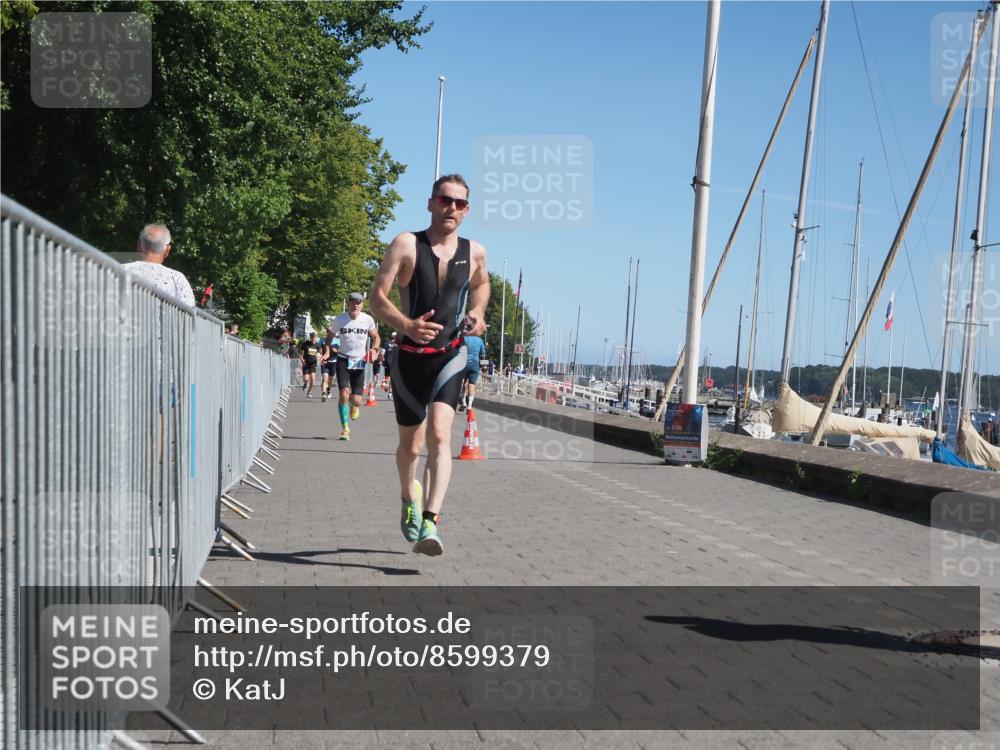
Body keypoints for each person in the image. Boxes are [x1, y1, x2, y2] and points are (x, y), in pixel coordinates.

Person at [369, 174, 489, 556]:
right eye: (444, 200)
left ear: (467, 210)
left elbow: (482, 285)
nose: (451, 207)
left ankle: (430, 521)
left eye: (459, 203)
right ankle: (409, 497)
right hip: (409, 359)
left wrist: (478, 311)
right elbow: (376, 298)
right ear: (431, 203)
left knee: (440, 434)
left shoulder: (475, 252)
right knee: (411, 444)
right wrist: (407, 325)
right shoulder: (407, 244)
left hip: (451, 355)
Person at [327, 292, 380, 440]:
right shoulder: (340, 319)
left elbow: (376, 337)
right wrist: (326, 349)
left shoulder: (368, 320)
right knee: (344, 394)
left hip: (359, 361)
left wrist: (374, 350)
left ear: (362, 305)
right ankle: (345, 429)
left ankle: (353, 406)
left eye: (358, 303)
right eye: (353, 302)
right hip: (343, 360)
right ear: (348, 303)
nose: (355, 305)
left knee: (356, 400)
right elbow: (330, 335)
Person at [124, 224, 195, 307]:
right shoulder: (177, 279)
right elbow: (189, 311)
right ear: (167, 250)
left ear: (139, 246)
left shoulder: (118, 270)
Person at [459, 334, 485, 412]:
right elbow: (483, 354)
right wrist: (483, 365)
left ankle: (463, 402)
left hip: (463, 363)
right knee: (472, 384)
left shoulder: (463, 338)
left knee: (462, 383)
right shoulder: (479, 340)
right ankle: (469, 406)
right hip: (475, 364)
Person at [299, 331, 320, 397]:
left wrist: (319, 357)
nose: (313, 339)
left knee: (313, 380)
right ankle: (305, 384)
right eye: (312, 337)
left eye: (314, 337)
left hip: (313, 364)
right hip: (306, 363)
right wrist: (302, 360)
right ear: (310, 337)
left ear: (316, 338)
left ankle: (309, 392)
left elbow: (319, 354)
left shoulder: (317, 345)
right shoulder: (306, 344)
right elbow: (300, 353)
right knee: (306, 379)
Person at [319, 332, 339, 402]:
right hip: (325, 362)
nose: (329, 334)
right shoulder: (322, 340)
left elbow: (341, 351)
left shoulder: (337, 340)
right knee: (324, 378)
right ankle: (323, 394)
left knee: (330, 380)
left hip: (333, 362)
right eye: (328, 332)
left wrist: (336, 350)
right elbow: (319, 350)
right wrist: (319, 353)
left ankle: (329, 390)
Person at [383, 332, 397, 399]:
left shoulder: (387, 343)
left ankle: (386, 384)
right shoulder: (397, 344)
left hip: (387, 363)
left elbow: (382, 352)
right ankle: (390, 393)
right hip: (394, 363)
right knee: (392, 379)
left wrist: (382, 359)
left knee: (387, 376)